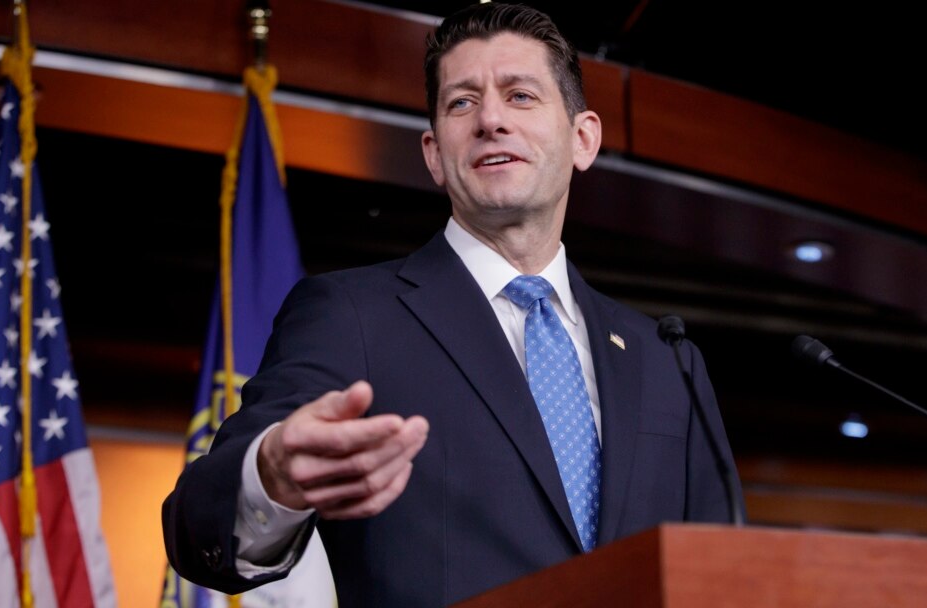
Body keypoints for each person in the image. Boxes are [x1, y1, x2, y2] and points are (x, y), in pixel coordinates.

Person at [162, 4, 742, 606]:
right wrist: (272, 477)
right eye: (462, 103)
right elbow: (195, 526)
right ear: (435, 154)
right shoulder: (351, 315)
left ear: (583, 138)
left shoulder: (665, 358)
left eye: (520, 96)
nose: (491, 119)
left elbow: (728, 572)